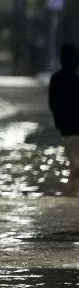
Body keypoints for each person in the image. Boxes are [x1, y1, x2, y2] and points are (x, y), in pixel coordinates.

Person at [48, 43, 79, 196]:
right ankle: (69, 194)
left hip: (66, 130)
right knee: (75, 167)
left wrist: (59, 122)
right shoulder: (75, 79)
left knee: (74, 166)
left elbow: (52, 104)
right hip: (73, 130)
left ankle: (69, 194)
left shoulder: (56, 79)